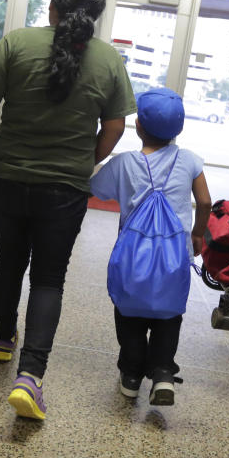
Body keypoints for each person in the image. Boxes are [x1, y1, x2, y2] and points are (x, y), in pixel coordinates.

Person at [0, 0, 135, 420]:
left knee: (10, 260)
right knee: (49, 278)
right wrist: (89, 157)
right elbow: (115, 126)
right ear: (96, 15)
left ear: (52, 4)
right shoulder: (108, 60)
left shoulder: (16, 43)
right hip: (64, 188)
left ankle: (2, 339)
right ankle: (30, 376)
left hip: (9, 180)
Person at [90, 88, 212, 405]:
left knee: (129, 315)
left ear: (139, 127)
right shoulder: (189, 161)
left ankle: (131, 376)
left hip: (133, 259)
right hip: (175, 259)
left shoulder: (124, 163)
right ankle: (162, 375)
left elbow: (96, 190)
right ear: (179, 129)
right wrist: (198, 234)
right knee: (168, 316)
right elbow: (205, 201)